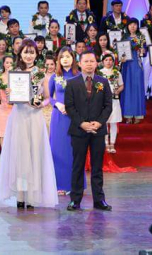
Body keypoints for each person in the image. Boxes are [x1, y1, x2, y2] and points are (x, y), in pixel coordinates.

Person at [0, 39, 57, 209]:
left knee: (34, 154)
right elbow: (10, 99)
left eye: (32, 52)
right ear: (20, 54)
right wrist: (9, 94)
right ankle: (21, 195)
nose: (28, 56)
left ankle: (32, 195)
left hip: (34, 117)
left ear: (36, 54)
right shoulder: (14, 73)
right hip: (19, 117)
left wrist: (41, 104)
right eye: (25, 52)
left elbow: (47, 98)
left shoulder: (40, 73)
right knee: (20, 156)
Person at [65, 50, 113, 211]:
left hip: (98, 131)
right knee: (78, 166)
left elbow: (108, 106)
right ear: (79, 63)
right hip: (79, 130)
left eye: (92, 61)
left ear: (96, 63)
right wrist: (82, 123)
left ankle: (99, 200)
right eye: (86, 61)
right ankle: (75, 200)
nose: (89, 64)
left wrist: (99, 123)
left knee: (97, 166)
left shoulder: (103, 82)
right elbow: (69, 107)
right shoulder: (72, 83)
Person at [48, 47, 80, 195]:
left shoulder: (79, 76)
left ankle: (73, 185)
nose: (65, 59)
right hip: (59, 117)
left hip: (74, 117)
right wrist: (57, 104)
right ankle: (59, 184)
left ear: (73, 58)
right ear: (58, 60)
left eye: (68, 56)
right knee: (58, 150)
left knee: (73, 150)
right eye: (62, 57)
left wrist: (72, 107)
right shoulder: (55, 77)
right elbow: (49, 98)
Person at [120, 18, 146, 123]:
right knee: (127, 89)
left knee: (137, 88)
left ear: (137, 26)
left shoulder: (141, 37)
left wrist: (143, 51)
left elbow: (145, 53)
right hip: (126, 66)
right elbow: (120, 51)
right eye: (131, 24)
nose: (133, 26)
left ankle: (138, 114)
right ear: (128, 26)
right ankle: (128, 115)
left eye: (135, 24)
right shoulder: (124, 37)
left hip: (137, 64)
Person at [98, 53, 124, 153]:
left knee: (113, 122)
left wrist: (118, 91)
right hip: (102, 101)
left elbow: (121, 85)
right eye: (106, 60)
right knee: (104, 122)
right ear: (102, 62)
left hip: (114, 100)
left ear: (113, 62)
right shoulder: (99, 73)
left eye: (110, 60)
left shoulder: (117, 73)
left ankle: (112, 143)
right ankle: (105, 143)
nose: (108, 62)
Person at [41, 54, 57, 131]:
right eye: (47, 64)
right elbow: (37, 92)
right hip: (43, 108)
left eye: (52, 64)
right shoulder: (40, 77)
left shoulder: (59, 77)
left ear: (55, 65)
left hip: (56, 108)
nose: (49, 66)